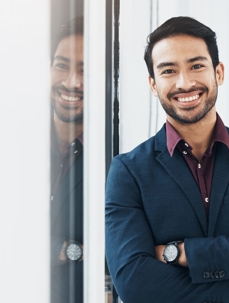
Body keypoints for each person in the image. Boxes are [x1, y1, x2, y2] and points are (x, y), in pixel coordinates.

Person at [105, 16, 229, 303]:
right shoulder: (128, 172)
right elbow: (134, 284)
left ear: (219, 72)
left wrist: (179, 253)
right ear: (152, 84)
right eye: (168, 71)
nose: (184, 83)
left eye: (196, 66)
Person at [50, 16, 84, 303]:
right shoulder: (14, 146)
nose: (71, 82)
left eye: (85, 70)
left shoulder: (118, 160)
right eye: (62, 65)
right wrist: (67, 250)